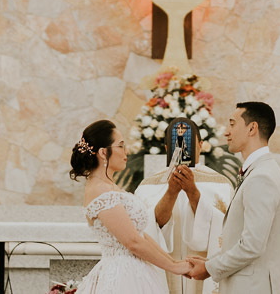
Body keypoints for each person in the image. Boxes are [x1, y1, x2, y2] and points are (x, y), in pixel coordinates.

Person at [69, 119, 192, 294]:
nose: (126, 151)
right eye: (120, 146)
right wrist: (174, 268)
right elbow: (132, 242)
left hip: (137, 271)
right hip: (121, 277)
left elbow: (140, 236)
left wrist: (174, 263)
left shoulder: (110, 187)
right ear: (103, 153)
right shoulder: (100, 190)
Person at [188, 102, 280, 294]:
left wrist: (210, 268)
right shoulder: (259, 171)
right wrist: (211, 262)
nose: (226, 132)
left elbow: (252, 246)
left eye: (232, 124)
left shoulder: (262, 177)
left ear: (252, 128)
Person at [136, 124, 233, 294]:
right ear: (167, 148)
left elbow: (226, 227)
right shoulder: (148, 185)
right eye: (175, 143)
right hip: (163, 269)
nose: (182, 148)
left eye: (188, 142)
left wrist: (192, 192)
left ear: (201, 145)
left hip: (205, 268)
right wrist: (171, 193)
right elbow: (145, 227)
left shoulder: (221, 184)